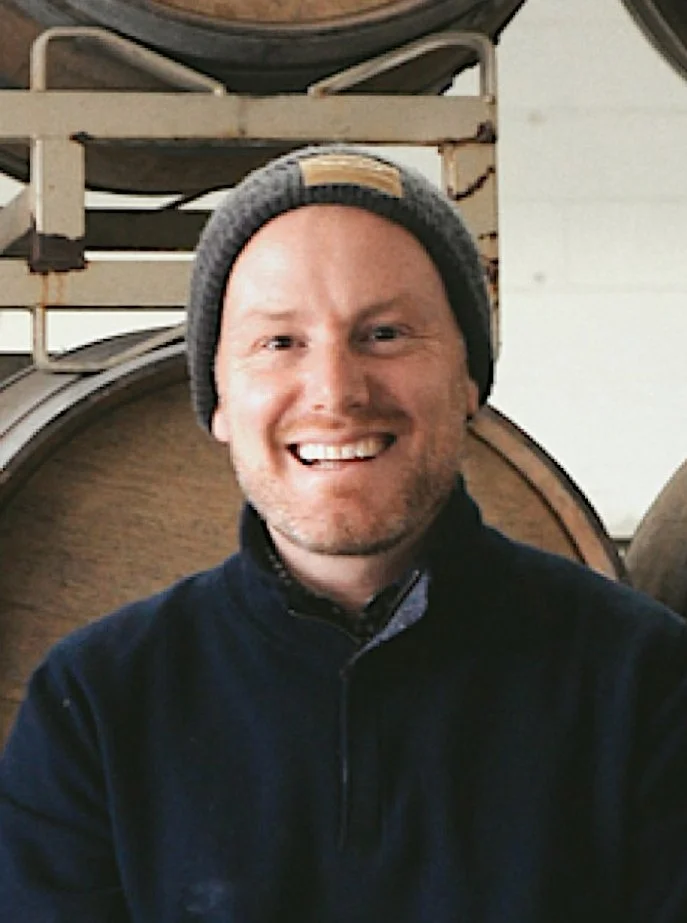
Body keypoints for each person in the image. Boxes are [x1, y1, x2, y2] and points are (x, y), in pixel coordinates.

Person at [1, 145, 686, 923]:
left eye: (385, 333)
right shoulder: (96, 702)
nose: (335, 390)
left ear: (468, 378)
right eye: (279, 342)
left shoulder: (641, 680)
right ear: (217, 397)